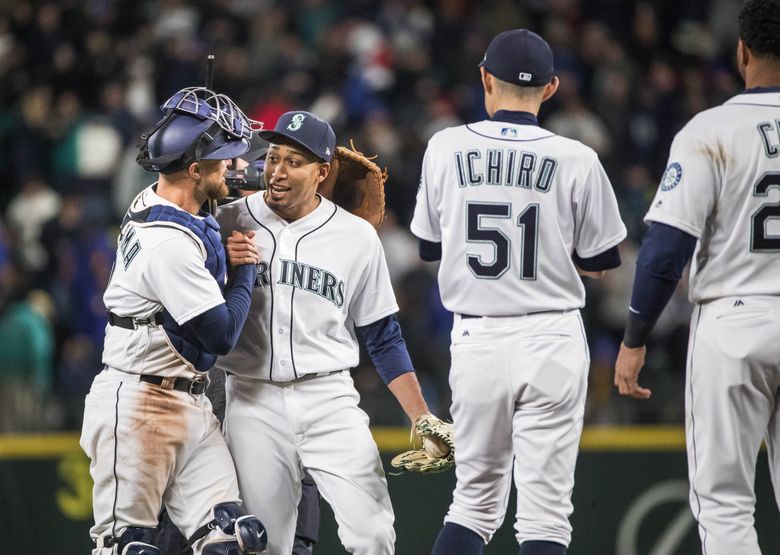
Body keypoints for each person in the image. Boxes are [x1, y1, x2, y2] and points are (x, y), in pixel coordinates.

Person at [411, 30, 626, 554]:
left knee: (473, 503)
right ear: (551, 88)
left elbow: (428, 248)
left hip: (478, 341)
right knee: (546, 517)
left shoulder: (446, 144)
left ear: (485, 77)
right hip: (552, 337)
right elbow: (601, 264)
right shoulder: (578, 157)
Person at [215, 110, 439, 555]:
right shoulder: (228, 221)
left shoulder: (356, 236)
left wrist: (421, 416)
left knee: (374, 534)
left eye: (294, 161)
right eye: (274, 157)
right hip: (251, 400)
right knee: (264, 546)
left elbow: (383, 335)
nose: (278, 171)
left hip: (329, 400)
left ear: (322, 172)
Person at [614, 2, 780, 553]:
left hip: (733, 322)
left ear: (742, 51)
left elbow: (665, 251)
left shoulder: (710, 129)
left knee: (725, 504)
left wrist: (634, 338)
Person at [79, 87, 268, 555]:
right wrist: (243, 271)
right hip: (138, 405)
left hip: (189, 402)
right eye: (223, 159)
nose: (232, 167)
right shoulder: (168, 245)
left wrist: (279, 176)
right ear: (195, 167)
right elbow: (221, 335)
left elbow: (216, 187)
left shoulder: (165, 194)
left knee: (234, 539)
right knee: (130, 547)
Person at [156, 136, 322, 555]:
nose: (247, 183)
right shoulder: (201, 230)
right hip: (211, 392)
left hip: (281, 398)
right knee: (189, 529)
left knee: (284, 529)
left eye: (252, 175)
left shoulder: (305, 234)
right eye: (236, 175)